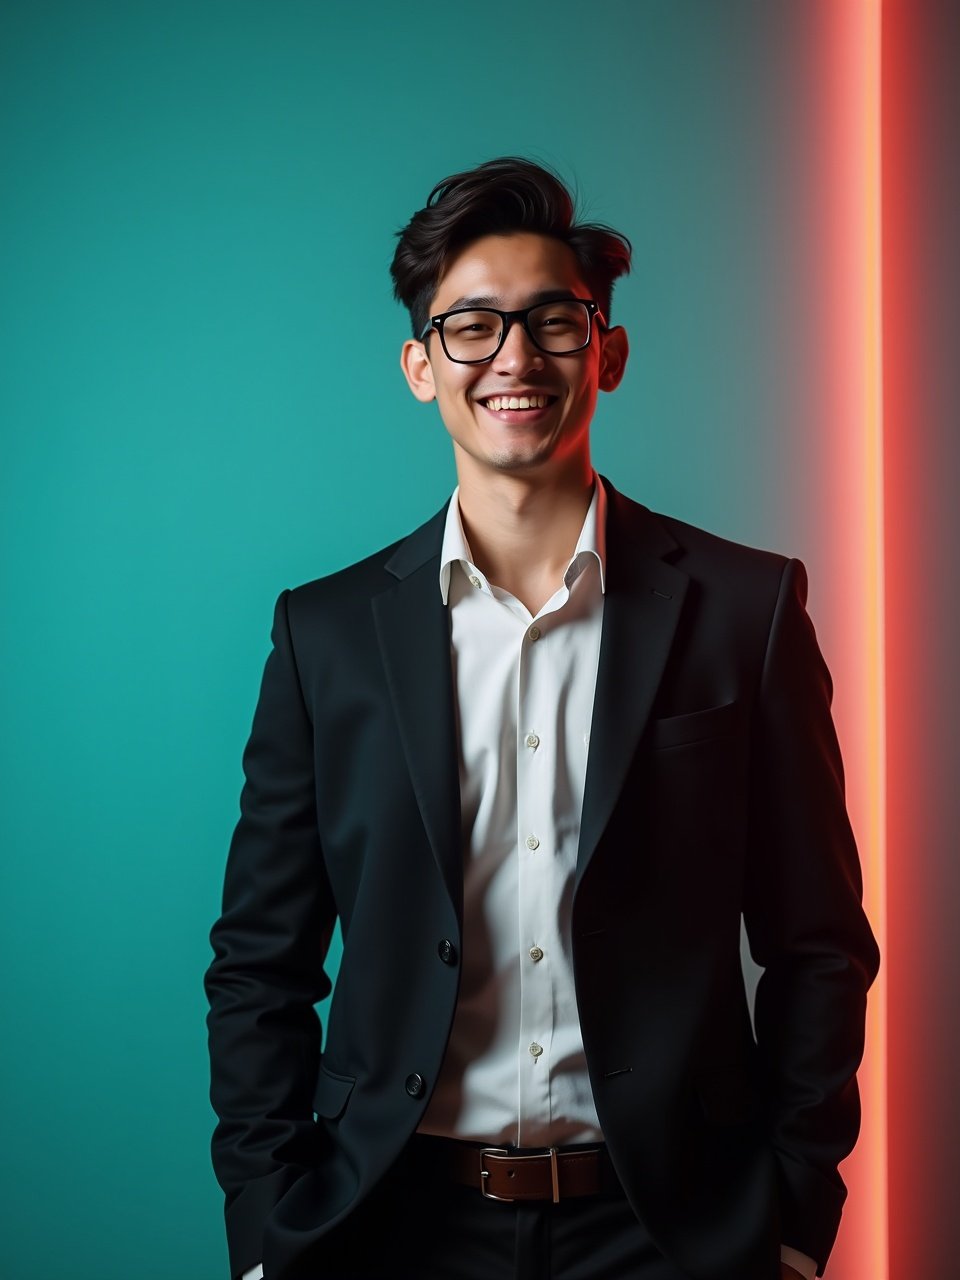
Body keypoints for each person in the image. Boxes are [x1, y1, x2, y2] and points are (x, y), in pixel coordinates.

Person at [205, 157, 879, 1280]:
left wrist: (799, 1219)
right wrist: (271, 1226)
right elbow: (258, 962)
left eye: (551, 321)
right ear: (420, 367)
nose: (514, 357)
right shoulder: (326, 636)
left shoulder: (745, 611)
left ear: (606, 350)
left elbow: (820, 945)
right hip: (390, 1220)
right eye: (471, 326)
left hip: (670, 1227)